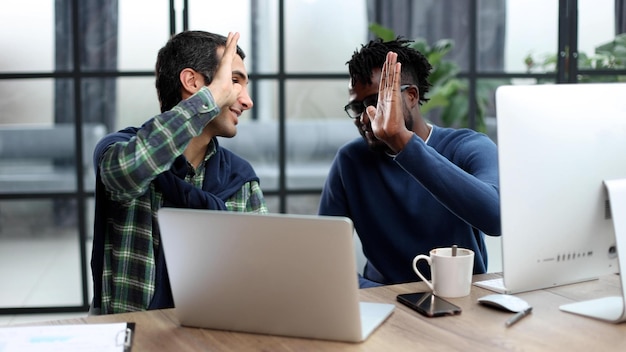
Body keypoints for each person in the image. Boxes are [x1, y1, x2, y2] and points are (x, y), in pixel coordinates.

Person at [90, 31, 268, 314]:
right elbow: (127, 172)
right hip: (134, 338)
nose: (247, 101)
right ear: (193, 82)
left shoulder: (240, 179)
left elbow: (263, 277)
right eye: (234, 81)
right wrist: (210, 99)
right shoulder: (120, 150)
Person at [318, 38, 500, 288]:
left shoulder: (468, 147)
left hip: (459, 298)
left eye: (374, 102)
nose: (364, 117)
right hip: (383, 301)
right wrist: (382, 297)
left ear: (411, 96)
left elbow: (496, 217)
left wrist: (402, 141)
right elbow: (326, 262)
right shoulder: (350, 160)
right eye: (356, 107)